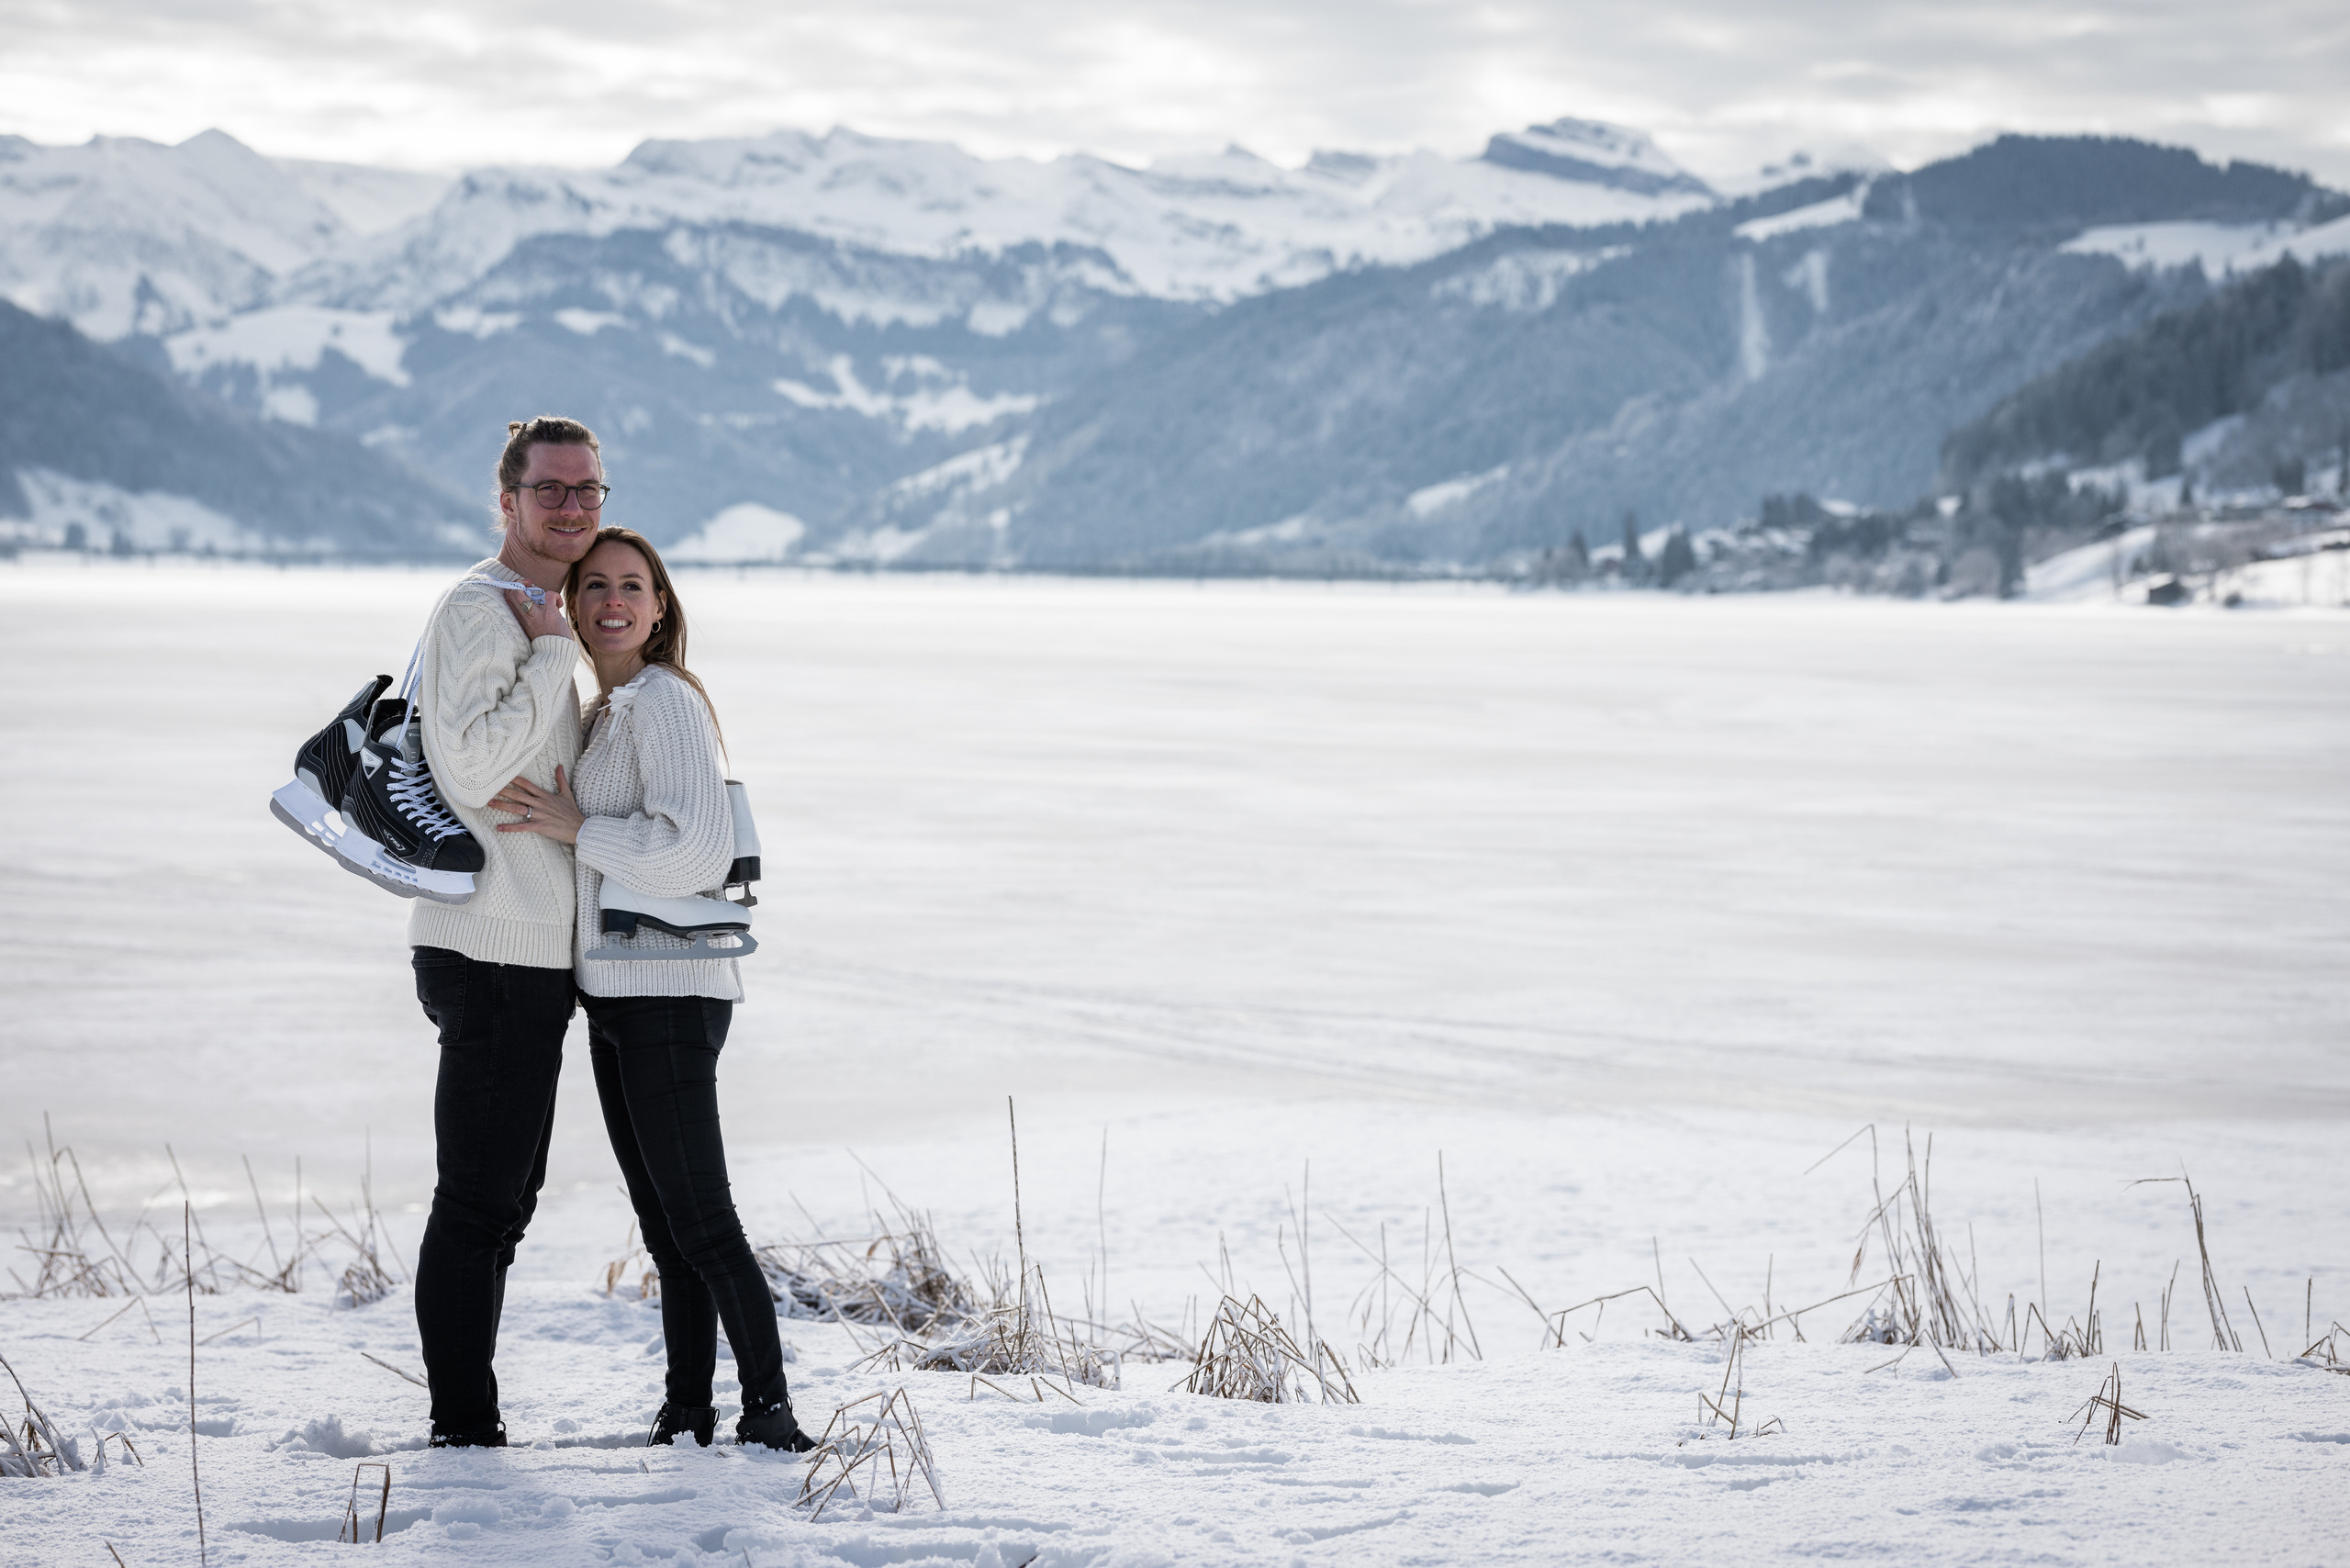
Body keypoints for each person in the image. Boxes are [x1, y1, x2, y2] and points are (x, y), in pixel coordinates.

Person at [489, 526, 813, 1452]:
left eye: (633, 586)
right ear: (574, 601)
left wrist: (577, 827)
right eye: (594, 585)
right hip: (623, 993)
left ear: (661, 606)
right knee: (668, 1226)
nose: (613, 602)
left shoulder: (663, 701)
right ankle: (687, 1410)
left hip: (668, 992)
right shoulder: (613, 707)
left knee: (702, 1218)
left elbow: (697, 851)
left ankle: (770, 1413)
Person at [407, 416, 603, 1448]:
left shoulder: (535, 611)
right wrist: (555, 650)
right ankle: (463, 1429)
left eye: (588, 490)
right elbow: (476, 768)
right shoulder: (483, 610)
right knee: (478, 1204)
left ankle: (468, 1420)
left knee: (504, 1202)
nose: (571, 506)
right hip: (488, 946)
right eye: (550, 489)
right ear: (508, 501)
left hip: (523, 949)